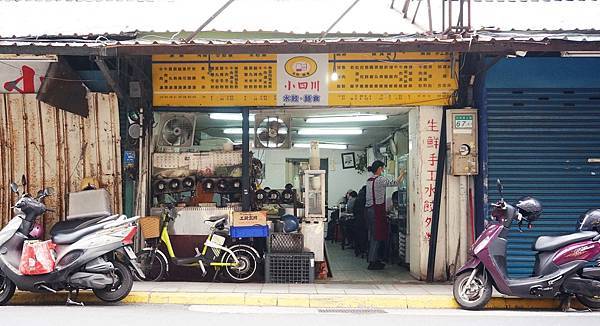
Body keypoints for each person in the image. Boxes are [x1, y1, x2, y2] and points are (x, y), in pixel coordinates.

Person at [365, 160, 406, 270]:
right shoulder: (380, 179)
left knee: (373, 236)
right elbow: (395, 183)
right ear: (379, 169)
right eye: (383, 168)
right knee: (377, 236)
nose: (383, 170)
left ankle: (374, 259)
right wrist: (402, 174)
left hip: (369, 210)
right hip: (376, 211)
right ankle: (373, 262)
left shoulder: (369, 180)